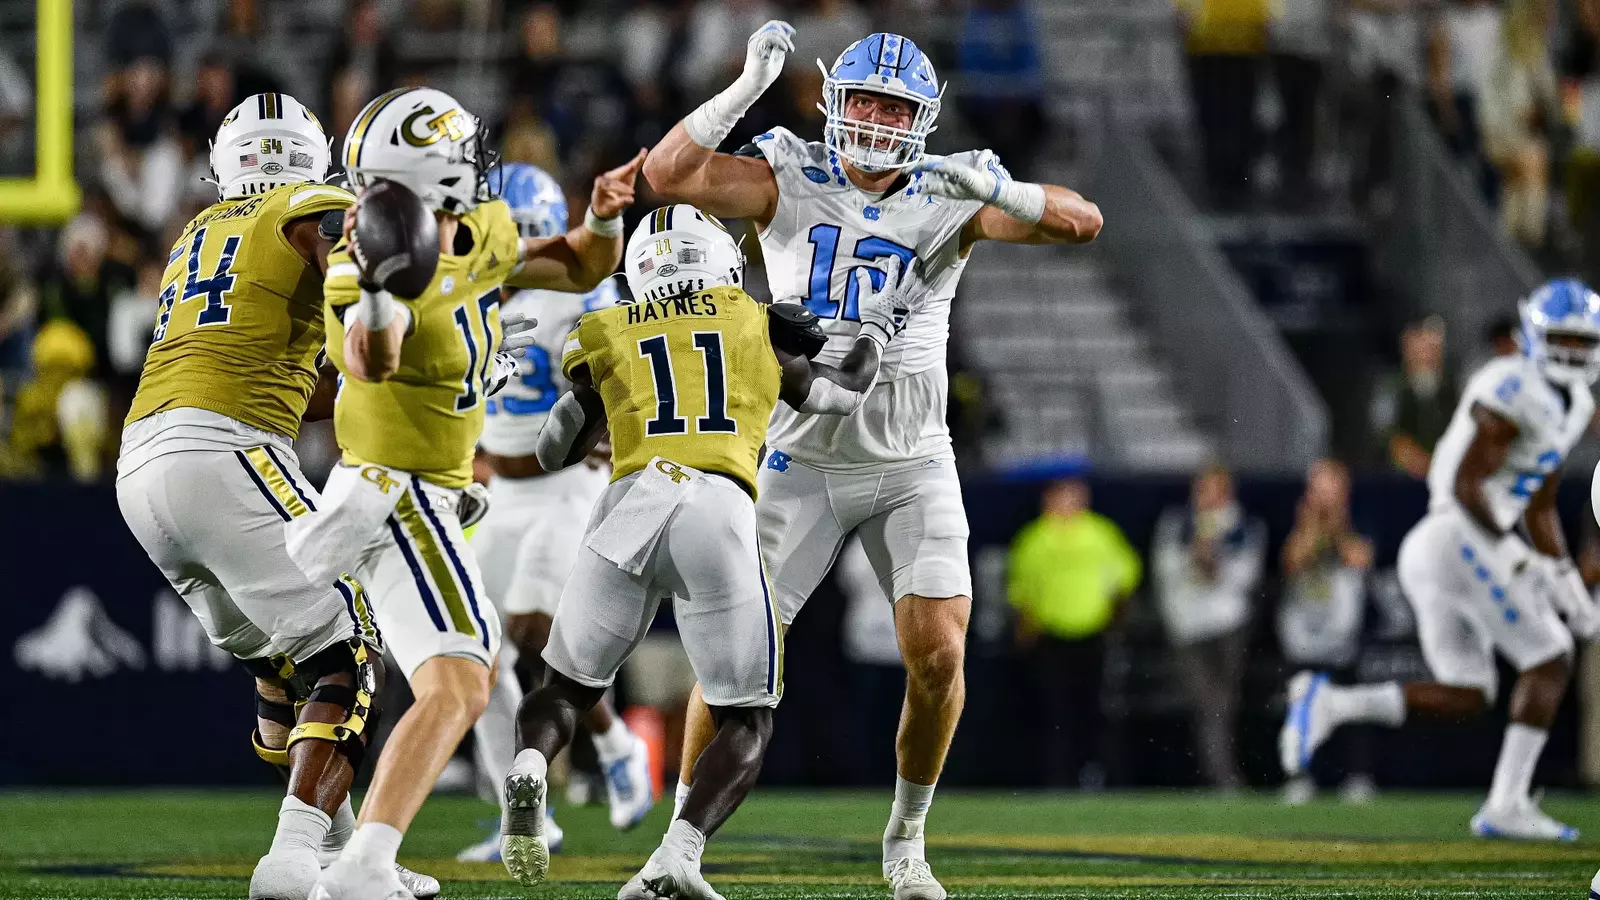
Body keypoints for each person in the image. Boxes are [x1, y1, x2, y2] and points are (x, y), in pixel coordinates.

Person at [642, 23, 1103, 899]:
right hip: (799, 453)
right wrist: (742, 91)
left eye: (897, 106)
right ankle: (679, 847)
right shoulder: (788, 173)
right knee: (733, 655)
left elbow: (1084, 223)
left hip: (911, 456)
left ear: (922, 117)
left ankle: (906, 839)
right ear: (834, 102)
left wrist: (1007, 190)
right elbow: (667, 178)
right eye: (865, 101)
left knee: (938, 654)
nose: (880, 120)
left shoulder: (946, 190)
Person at [498, 203, 923, 897]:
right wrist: (876, 331)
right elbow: (841, 395)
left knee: (565, 689)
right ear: (719, 259)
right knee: (746, 716)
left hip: (629, 500)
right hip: (716, 504)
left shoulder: (605, 328)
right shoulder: (754, 317)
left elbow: (554, 449)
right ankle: (680, 852)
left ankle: (530, 765)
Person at [293, 87, 640, 900]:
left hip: (441, 493)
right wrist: (382, 288)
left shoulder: (479, 232)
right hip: (395, 494)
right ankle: (361, 865)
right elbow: (370, 357)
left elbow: (583, 261)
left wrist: (606, 215)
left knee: (464, 677)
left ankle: (355, 857)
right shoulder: (362, 255)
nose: (480, 169)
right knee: (462, 677)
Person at [112, 93, 438, 900]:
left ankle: (340, 853)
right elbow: (340, 231)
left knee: (286, 660)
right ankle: (292, 859)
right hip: (223, 449)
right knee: (353, 640)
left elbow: (299, 384)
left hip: (144, 465)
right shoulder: (305, 204)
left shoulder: (196, 233)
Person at [1283, 279, 1600, 841]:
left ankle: (1331, 703)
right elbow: (1467, 483)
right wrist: (1519, 562)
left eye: (1583, 343)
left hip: (1454, 546)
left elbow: (1542, 502)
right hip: (1458, 536)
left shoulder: (1575, 403)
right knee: (1550, 656)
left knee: (1471, 692)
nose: (1574, 355)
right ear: (1535, 334)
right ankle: (1506, 802)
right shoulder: (1510, 384)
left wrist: (1563, 576)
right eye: (1564, 341)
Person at [457, 162, 653, 864]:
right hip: (502, 488)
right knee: (474, 651)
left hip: (569, 480)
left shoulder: (586, 295)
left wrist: (611, 441)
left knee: (537, 630)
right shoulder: (468, 292)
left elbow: (632, 375)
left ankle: (615, 745)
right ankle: (523, 803)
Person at [1009, 476, 1141, 788]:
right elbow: (1023, 592)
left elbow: (1124, 580)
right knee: (1056, 713)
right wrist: (1026, 630)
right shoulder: (1034, 539)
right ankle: (1059, 778)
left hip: (1094, 636)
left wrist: (1118, 621)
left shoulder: (1100, 533)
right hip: (1051, 638)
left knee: (1095, 711)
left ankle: (1097, 775)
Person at [1152, 462, 1264, 791]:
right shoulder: (1177, 523)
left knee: (1223, 704)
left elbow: (1244, 580)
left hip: (1228, 626)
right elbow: (1166, 572)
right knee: (1208, 703)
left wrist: (1212, 558)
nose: (1209, 496)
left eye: (1217, 489)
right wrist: (1197, 552)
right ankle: (1222, 777)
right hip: (1188, 627)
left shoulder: (1243, 525)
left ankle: (1221, 775)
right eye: (1204, 488)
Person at [1277, 458, 1376, 805]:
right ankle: (1301, 776)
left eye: (1331, 486)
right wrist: (1313, 526)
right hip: (1303, 636)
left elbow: (1359, 558)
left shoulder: (1359, 520)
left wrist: (1336, 525)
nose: (1325, 494)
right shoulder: (1297, 522)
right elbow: (1293, 561)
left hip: (1342, 635)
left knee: (1352, 709)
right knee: (1302, 709)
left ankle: (1357, 776)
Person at [1371, 317, 1457, 479]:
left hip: (1447, 474)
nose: (1425, 356)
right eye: (1418, 349)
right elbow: (1385, 432)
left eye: (1431, 349)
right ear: (1406, 350)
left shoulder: (1454, 386)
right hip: (1401, 478)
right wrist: (1416, 461)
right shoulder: (1391, 386)